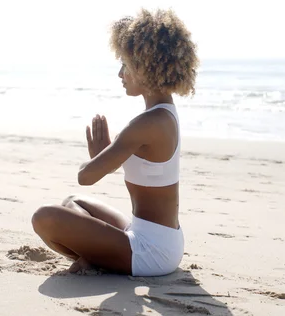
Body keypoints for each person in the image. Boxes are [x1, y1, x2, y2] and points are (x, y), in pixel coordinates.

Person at [31, 8, 199, 277]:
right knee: (73, 202)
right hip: (155, 236)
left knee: (44, 217)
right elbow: (140, 172)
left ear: (145, 67)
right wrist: (106, 158)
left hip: (152, 253)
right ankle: (100, 255)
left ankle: (97, 259)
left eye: (125, 65)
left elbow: (85, 176)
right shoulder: (165, 113)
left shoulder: (145, 124)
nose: (121, 73)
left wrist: (98, 157)